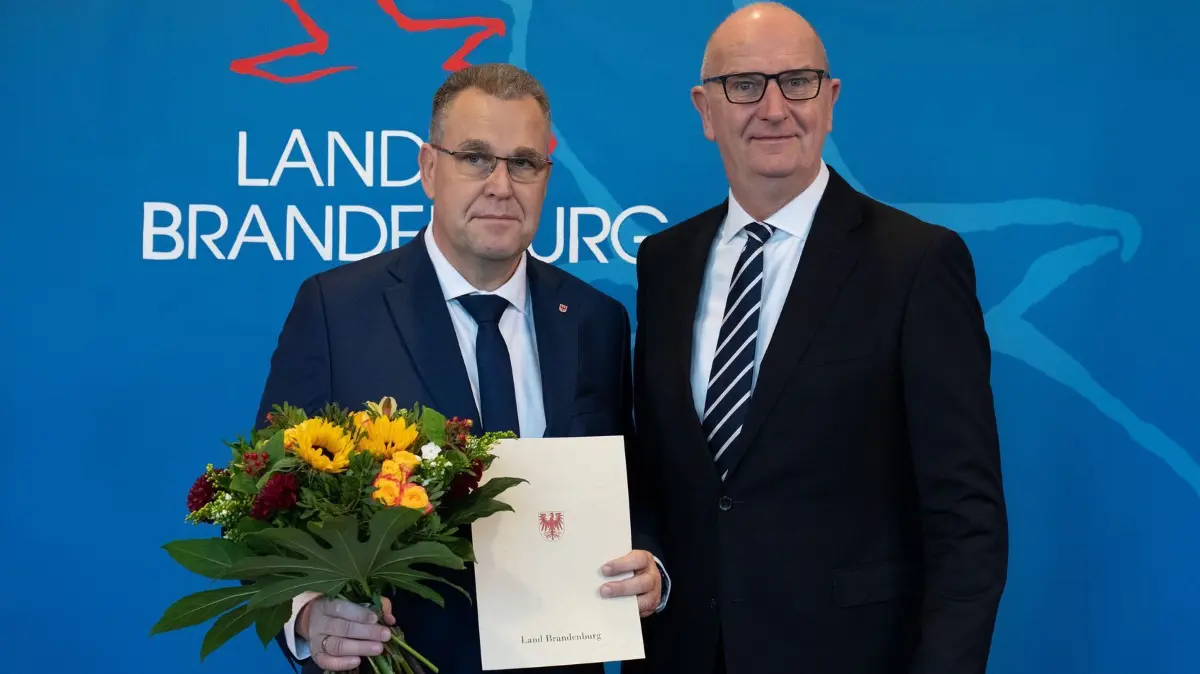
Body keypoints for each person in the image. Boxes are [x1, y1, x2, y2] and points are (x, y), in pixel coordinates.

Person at [624, 3, 1009, 673]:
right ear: (705, 109)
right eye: (745, 85)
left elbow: (965, 517)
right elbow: (660, 470)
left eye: (797, 81)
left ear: (829, 100)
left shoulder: (917, 264)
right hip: (680, 654)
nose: (774, 108)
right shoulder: (664, 262)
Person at [252, 63, 662, 674]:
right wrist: (310, 616)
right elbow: (270, 506)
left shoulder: (596, 320)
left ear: (546, 177)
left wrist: (653, 564)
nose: (502, 185)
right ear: (427, 169)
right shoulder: (336, 310)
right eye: (475, 157)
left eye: (524, 162)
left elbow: (635, 484)